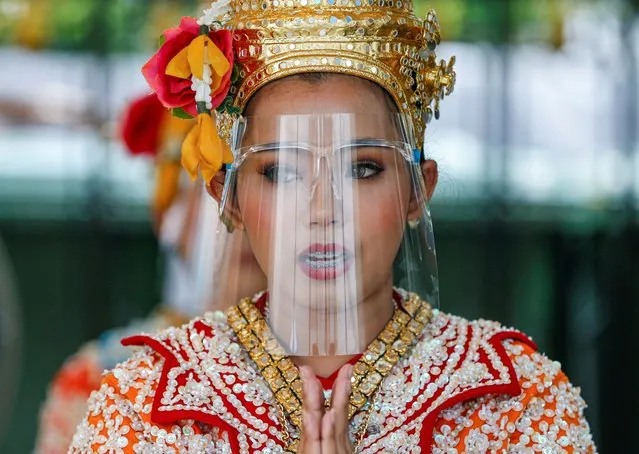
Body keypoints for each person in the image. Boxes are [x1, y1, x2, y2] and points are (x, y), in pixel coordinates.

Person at [69, 1, 596, 452]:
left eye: (361, 168)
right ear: (225, 197)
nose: (322, 209)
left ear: (418, 189)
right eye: (281, 172)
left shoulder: (514, 401)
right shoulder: (144, 407)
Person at [35, 93, 265, 454]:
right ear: (168, 214)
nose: (238, 218)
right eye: (212, 189)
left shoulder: (336, 372)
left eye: (271, 181)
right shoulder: (99, 377)